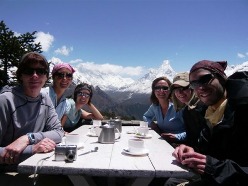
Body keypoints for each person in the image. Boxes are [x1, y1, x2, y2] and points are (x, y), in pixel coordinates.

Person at [169, 60, 248, 185]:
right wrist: (191, 150)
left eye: (205, 79)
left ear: (222, 78)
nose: (200, 87)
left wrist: (214, 167)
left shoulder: (242, 110)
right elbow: (212, 151)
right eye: (194, 84)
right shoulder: (208, 113)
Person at [0, 52, 72, 185]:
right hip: (8, 171)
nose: (35, 76)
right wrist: (32, 149)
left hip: (35, 165)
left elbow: (58, 132)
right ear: (21, 75)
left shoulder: (44, 99)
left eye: (40, 71)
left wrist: (28, 138)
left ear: (46, 77)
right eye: (28, 71)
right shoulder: (5, 101)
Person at [143, 76, 186, 143]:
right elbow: (146, 116)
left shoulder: (178, 107)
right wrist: (151, 124)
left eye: (165, 88)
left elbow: (192, 131)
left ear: (170, 91)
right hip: (162, 141)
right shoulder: (155, 106)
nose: (161, 91)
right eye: (157, 88)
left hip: (180, 144)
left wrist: (177, 136)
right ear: (153, 91)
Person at [170, 72, 207, 148]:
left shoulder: (204, 108)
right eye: (176, 89)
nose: (179, 92)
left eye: (183, 88)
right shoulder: (187, 111)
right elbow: (192, 138)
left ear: (192, 87)